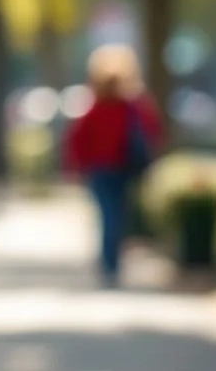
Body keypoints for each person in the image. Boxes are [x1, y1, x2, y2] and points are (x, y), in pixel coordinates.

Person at [64, 44, 164, 289]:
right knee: (118, 214)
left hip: (100, 170)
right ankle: (112, 260)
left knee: (106, 214)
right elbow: (153, 131)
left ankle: (109, 260)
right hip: (123, 168)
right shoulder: (134, 107)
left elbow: (77, 140)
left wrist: (75, 168)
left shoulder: (94, 108)